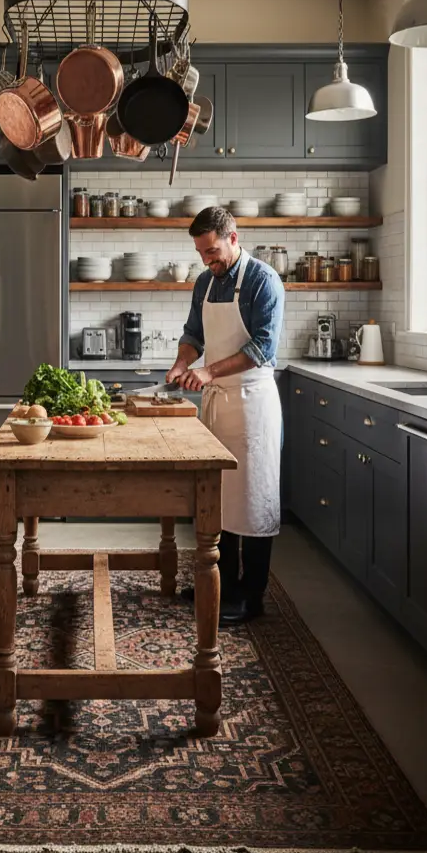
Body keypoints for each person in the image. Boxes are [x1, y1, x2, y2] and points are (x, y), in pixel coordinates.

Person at [166, 207, 284, 625]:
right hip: (218, 405)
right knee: (221, 500)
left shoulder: (263, 280)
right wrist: (183, 363)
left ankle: (251, 598)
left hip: (252, 404)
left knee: (252, 501)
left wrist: (208, 370)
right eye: (201, 254)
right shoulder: (204, 282)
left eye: (212, 251)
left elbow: (262, 349)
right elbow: (194, 335)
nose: (207, 261)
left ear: (234, 238)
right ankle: (221, 586)